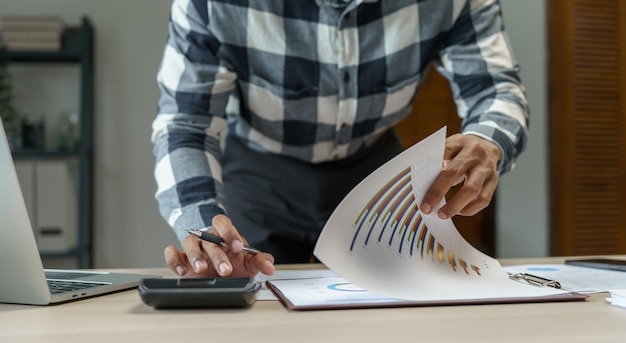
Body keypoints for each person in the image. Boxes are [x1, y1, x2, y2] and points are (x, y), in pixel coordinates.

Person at [151, 0, 529, 278]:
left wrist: (487, 140)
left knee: (395, 309)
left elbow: (495, 88)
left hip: (374, 170)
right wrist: (202, 224)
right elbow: (186, 123)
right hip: (259, 173)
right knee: (250, 295)